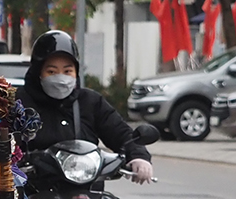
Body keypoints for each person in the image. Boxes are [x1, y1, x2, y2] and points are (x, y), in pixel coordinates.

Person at [18, 30, 155, 184]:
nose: (61, 77)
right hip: (31, 194)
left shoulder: (90, 102)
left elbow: (121, 133)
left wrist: (138, 157)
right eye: (51, 71)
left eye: (67, 71)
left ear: (76, 73)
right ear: (38, 73)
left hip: (86, 191)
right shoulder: (19, 103)